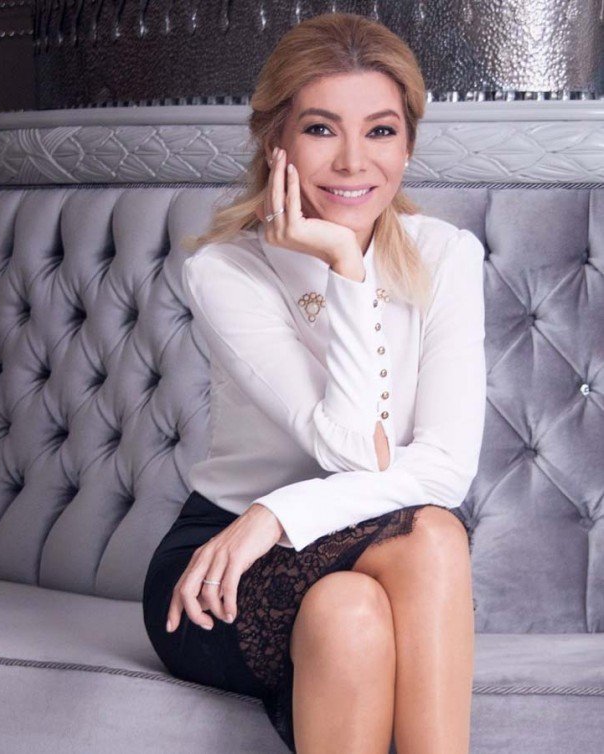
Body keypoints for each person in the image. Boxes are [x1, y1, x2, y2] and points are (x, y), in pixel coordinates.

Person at [142, 11, 485, 754]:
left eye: (381, 131)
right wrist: (346, 266)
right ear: (278, 142)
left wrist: (277, 511)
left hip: (332, 543)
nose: (354, 161)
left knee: (355, 604)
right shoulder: (226, 270)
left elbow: (446, 469)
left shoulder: (448, 256)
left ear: (408, 144)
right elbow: (354, 450)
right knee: (431, 532)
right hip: (225, 567)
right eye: (322, 129)